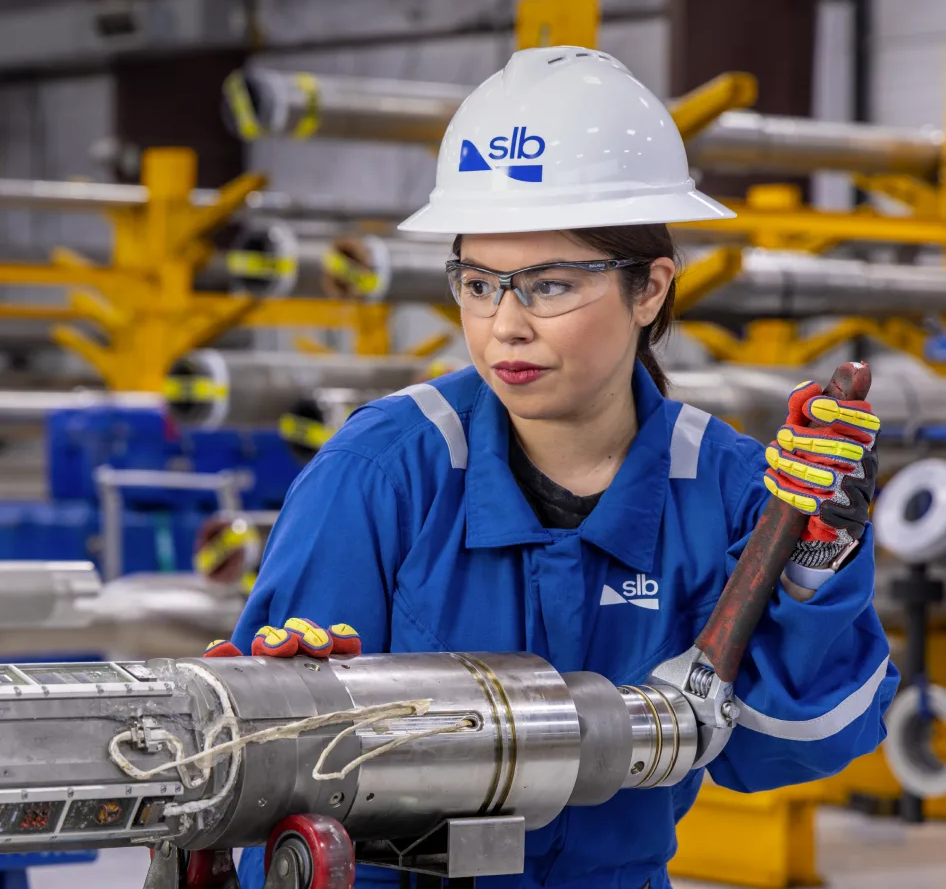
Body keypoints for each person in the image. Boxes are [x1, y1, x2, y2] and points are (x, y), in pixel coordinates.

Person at [230, 46, 896, 889]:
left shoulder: (731, 490)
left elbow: (791, 746)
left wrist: (813, 561)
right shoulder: (381, 475)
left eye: (547, 286)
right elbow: (270, 773)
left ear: (650, 289)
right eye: (479, 283)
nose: (505, 325)